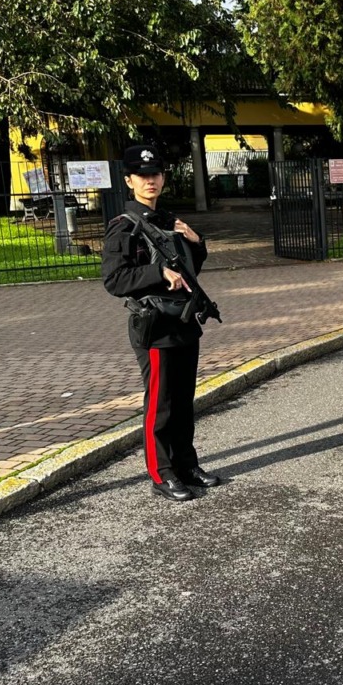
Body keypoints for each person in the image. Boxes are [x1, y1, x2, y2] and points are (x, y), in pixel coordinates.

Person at [101, 144, 226, 502]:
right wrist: (158, 272)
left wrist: (196, 241)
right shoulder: (122, 227)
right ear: (129, 181)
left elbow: (189, 270)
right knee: (161, 404)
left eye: (155, 174)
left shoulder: (169, 220)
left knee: (185, 401)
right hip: (154, 326)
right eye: (142, 176)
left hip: (184, 320)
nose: (150, 180)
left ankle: (187, 465)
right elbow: (114, 279)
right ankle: (162, 472)